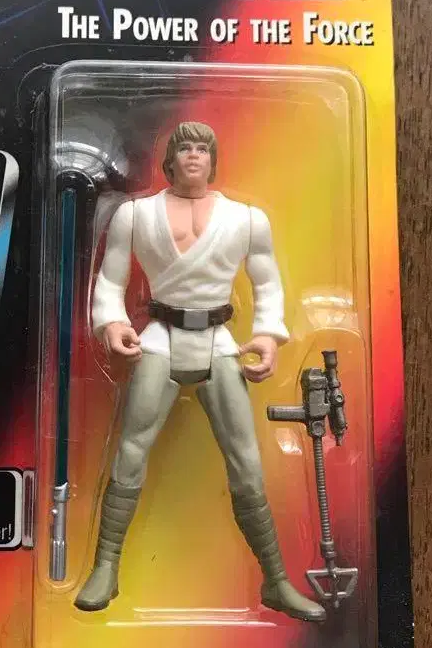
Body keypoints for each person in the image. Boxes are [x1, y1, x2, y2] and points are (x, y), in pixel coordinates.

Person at [74, 122, 325, 622]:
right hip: (159, 339)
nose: (193, 156)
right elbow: (111, 279)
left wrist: (267, 334)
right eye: (185, 148)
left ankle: (276, 579)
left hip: (219, 342)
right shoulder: (135, 214)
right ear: (170, 160)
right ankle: (105, 566)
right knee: (130, 451)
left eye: (202, 149)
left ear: (213, 159)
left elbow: (268, 282)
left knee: (247, 462)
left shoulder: (246, 219)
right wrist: (113, 323)